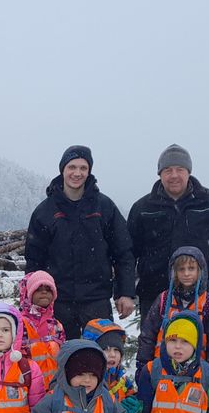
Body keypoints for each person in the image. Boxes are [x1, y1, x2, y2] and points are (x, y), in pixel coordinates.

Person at [24, 145, 136, 340]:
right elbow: (34, 259)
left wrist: (125, 292)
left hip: (97, 300)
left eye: (83, 168)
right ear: (63, 170)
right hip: (58, 301)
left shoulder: (104, 206)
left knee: (102, 358)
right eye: (72, 167)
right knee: (62, 360)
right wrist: (31, 297)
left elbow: (123, 252)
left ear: (89, 171)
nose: (77, 173)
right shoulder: (45, 211)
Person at [127, 144, 209, 316]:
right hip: (154, 295)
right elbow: (128, 253)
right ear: (160, 174)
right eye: (167, 170)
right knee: (153, 342)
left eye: (180, 169)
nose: (174, 176)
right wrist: (125, 292)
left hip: (197, 295)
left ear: (188, 172)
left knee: (197, 341)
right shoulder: (142, 208)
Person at [135, 247, 209, 373]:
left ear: (200, 270)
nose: (186, 274)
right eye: (181, 269)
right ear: (174, 272)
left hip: (197, 368)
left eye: (191, 269)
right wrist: (143, 363)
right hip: (161, 365)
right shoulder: (164, 299)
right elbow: (148, 334)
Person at [16, 270, 64, 390]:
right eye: (38, 289)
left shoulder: (57, 326)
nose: (44, 292)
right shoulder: (20, 323)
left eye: (48, 289)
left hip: (54, 388)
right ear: (28, 294)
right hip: (27, 387)